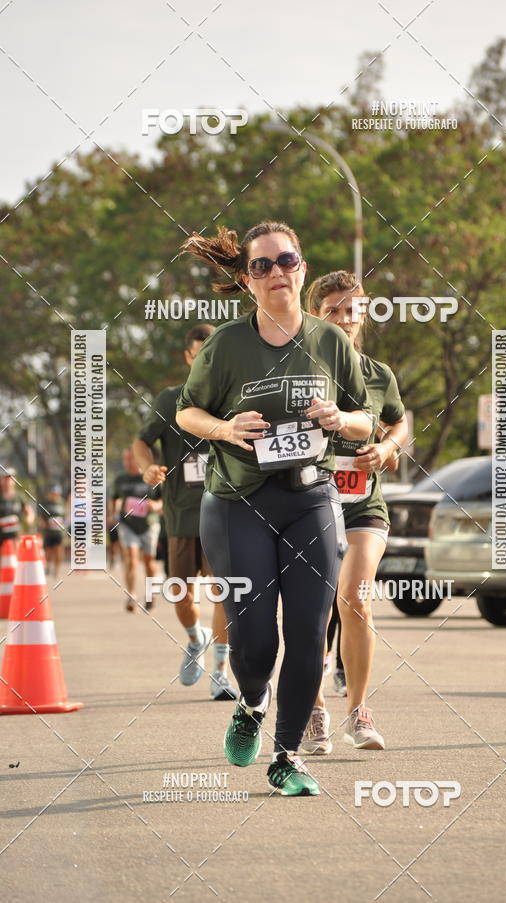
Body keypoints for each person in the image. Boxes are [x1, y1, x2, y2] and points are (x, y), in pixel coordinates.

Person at [176, 222, 372, 796]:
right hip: (238, 502)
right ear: (247, 279)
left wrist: (341, 420)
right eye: (261, 265)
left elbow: (367, 419)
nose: (276, 272)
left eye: (286, 260)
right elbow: (188, 413)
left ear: (301, 268)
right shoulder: (227, 346)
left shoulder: (330, 342)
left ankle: (287, 756)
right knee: (256, 640)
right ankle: (252, 702)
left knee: (310, 633)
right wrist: (225, 427)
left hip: (311, 497)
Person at [301, 270, 408, 755]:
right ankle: (314, 710)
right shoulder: (298, 369)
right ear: (314, 315)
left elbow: (399, 422)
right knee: (312, 613)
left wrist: (387, 449)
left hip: (364, 505)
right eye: (333, 311)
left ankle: (359, 712)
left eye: (352, 310)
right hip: (306, 506)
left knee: (356, 598)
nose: (345, 319)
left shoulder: (377, 374)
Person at [133, 324, 237, 701]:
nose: (203, 359)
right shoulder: (170, 399)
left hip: (224, 513)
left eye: (210, 352)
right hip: (180, 515)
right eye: (198, 353)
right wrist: (148, 467)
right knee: (179, 593)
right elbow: (142, 442)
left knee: (225, 593)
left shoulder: (233, 396)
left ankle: (221, 671)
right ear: (188, 358)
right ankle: (196, 639)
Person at [111, 448, 161, 612]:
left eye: (131, 458)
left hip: (149, 524)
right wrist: (112, 515)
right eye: (125, 459)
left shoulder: (150, 477)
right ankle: (132, 595)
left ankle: (150, 594)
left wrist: (156, 505)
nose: (128, 462)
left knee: (148, 561)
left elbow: (163, 500)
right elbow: (113, 498)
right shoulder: (121, 479)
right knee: (131, 558)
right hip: (127, 524)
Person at [0, 467, 34, 545]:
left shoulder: (19, 496)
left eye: (10, 478)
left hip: (16, 536)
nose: (8, 481)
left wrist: (29, 519)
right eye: (5, 478)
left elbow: (29, 512)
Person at [38, 485, 66, 579]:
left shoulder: (62, 503)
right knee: (48, 552)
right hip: (49, 532)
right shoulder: (46, 504)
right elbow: (41, 517)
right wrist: (43, 523)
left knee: (58, 551)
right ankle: (48, 566)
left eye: (56, 494)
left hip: (58, 532)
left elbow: (65, 516)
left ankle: (56, 570)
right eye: (53, 494)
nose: (54, 495)